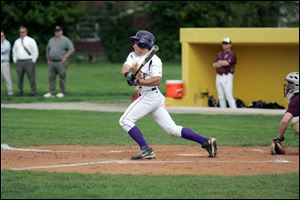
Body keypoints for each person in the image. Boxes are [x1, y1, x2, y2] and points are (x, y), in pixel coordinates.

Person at [119, 30, 217, 160]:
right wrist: (128, 75)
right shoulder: (133, 55)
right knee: (172, 129)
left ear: (143, 44)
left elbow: (157, 80)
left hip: (150, 96)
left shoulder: (155, 60)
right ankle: (206, 142)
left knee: (125, 120)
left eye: (136, 43)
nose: (133, 45)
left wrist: (140, 81)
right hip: (151, 97)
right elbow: (125, 68)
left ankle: (146, 150)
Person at [44, 25, 75, 98]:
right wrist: (48, 59)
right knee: (51, 77)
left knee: (62, 77)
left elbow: (71, 49)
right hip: (52, 62)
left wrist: (65, 57)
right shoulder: (51, 40)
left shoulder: (66, 40)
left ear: (61, 31)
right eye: (56, 31)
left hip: (61, 62)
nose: (57, 32)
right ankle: (51, 92)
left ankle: (62, 92)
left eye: (58, 31)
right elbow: (47, 50)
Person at [272, 72, 299, 149]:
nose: (287, 85)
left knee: (295, 120)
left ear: (297, 85)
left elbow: (284, 121)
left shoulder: (296, 100)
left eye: (290, 83)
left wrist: (280, 138)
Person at [12, 26, 39, 96]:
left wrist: (33, 60)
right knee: (19, 78)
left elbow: (35, 51)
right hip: (19, 62)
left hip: (29, 61)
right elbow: (14, 51)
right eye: (20, 32)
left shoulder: (31, 40)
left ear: (26, 32)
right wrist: (15, 60)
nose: (21, 33)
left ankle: (33, 92)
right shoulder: (17, 41)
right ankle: (20, 92)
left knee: (31, 78)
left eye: (23, 32)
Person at [212, 37, 237, 108]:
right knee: (220, 96)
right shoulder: (219, 54)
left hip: (227, 76)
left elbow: (227, 63)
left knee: (229, 95)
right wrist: (220, 63)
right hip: (219, 76)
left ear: (230, 45)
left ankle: (235, 112)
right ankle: (223, 112)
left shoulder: (232, 54)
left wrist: (219, 62)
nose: (224, 45)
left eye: (226, 43)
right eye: (223, 43)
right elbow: (213, 65)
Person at [1, 30, 13, 96]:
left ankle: (10, 92)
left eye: (2, 36)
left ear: (4, 36)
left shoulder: (7, 43)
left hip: (4, 63)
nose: (1, 37)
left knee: (7, 78)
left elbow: (3, 50)